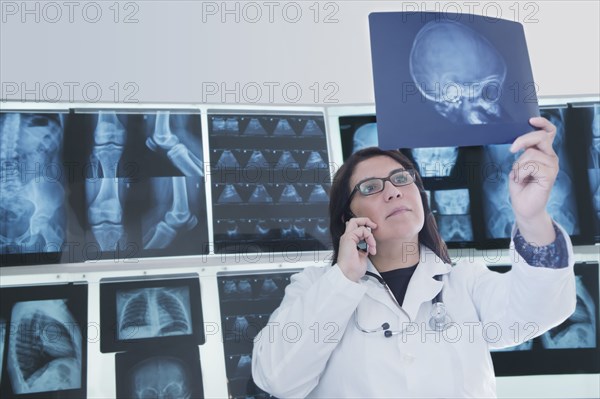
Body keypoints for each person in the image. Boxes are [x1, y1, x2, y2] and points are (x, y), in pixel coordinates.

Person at [251, 117, 576, 398]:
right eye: (370, 187)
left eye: (402, 179)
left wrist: (532, 217)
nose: (393, 191)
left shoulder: (465, 283)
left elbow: (539, 310)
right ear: (346, 217)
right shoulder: (314, 287)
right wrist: (343, 279)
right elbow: (279, 378)